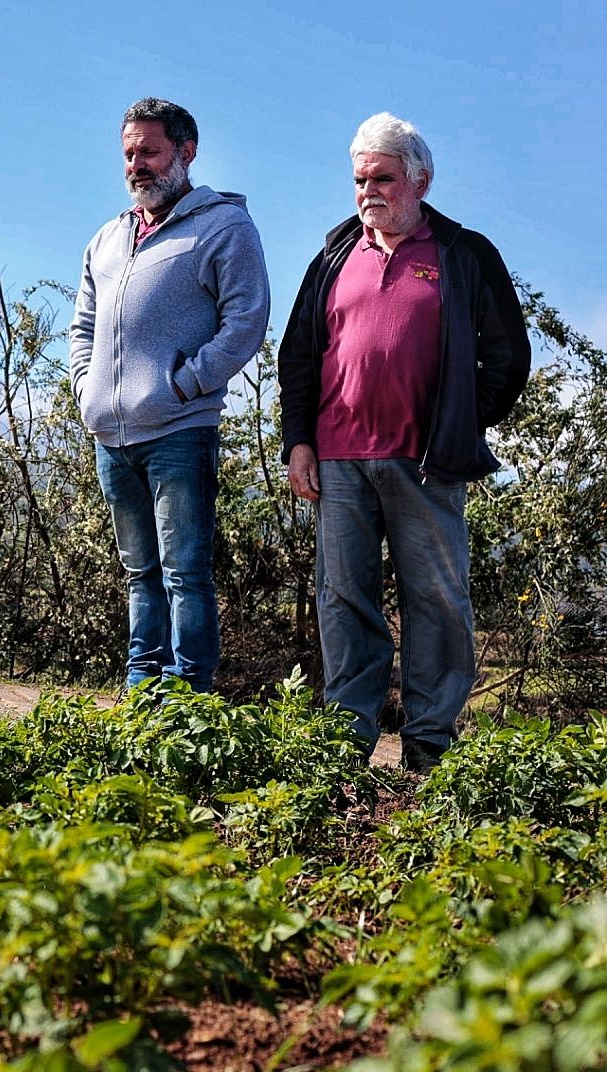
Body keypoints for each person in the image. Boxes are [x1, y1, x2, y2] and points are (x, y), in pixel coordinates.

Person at [278, 112, 530, 772]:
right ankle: (345, 743)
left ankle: (428, 750)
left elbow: (507, 354)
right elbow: (299, 356)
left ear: (421, 180)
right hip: (338, 459)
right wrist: (298, 442)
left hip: (426, 460)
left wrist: (462, 423)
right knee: (343, 600)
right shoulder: (334, 254)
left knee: (438, 603)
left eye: (382, 177)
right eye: (360, 179)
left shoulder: (464, 254)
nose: (368, 190)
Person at [68, 97, 271, 693]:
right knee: (138, 575)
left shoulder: (224, 226)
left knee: (185, 573)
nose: (137, 165)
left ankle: (186, 698)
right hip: (111, 437)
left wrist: (184, 384)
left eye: (149, 152)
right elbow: (83, 326)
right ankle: (139, 693)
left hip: (180, 430)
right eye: (129, 153)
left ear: (186, 152)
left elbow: (246, 321)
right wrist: (86, 389)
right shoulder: (106, 238)